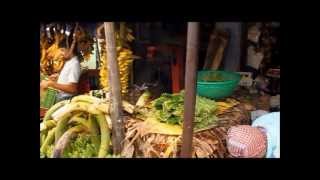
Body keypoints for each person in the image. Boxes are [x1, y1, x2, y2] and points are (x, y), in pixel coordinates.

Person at [40, 34, 81, 102]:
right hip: (61, 96)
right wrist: (59, 77)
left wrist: (51, 84)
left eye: (62, 50)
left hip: (66, 99)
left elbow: (72, 89)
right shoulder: (69, 61)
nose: (60, 53)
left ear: (71, 49)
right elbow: (69, 79)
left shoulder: (74, 64)